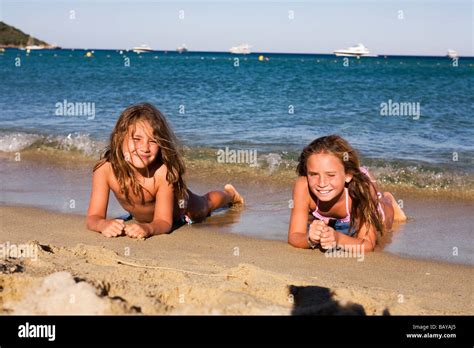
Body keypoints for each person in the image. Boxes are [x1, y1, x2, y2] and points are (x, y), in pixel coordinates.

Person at [86, 103, 244, 239]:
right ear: (119, 139)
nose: (145, 148)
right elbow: (93, 217)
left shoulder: (162, 174)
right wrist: (103, 224)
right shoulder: (105, 170)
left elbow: (164, 223)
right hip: (146, 217)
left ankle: (231, 196)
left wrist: (148, 228)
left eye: (153, 141)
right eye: (137, 139)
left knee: (206, 203)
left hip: (183, 210)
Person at [288, 135, 406, 252]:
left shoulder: (360, 191)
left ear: (348, 175)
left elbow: (368, 244)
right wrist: (309, 239)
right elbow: (294, 236)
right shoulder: (303, 186)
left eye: (331, 175)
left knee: (384, 224)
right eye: (314, 174)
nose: (322, 183)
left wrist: (338, 239)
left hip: (361, 189)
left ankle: (386, 200)